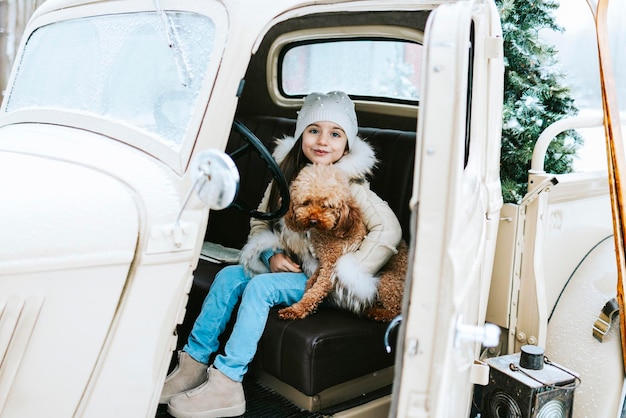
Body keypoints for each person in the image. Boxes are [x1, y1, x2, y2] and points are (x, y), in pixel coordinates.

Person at [160, 91, 402, 418]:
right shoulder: (285, 178)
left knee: (261, 289)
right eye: (313, 130)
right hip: (293, 268)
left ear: (347, 145)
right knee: (229, 276)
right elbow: (260, 223)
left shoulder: (352, 186)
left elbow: (389, 231)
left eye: (335, 134)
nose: (322, 141)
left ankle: (228, 382)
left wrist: (345, 273)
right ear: (301, 134)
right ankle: (193, 364)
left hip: (325, 281)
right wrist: (271, 253)